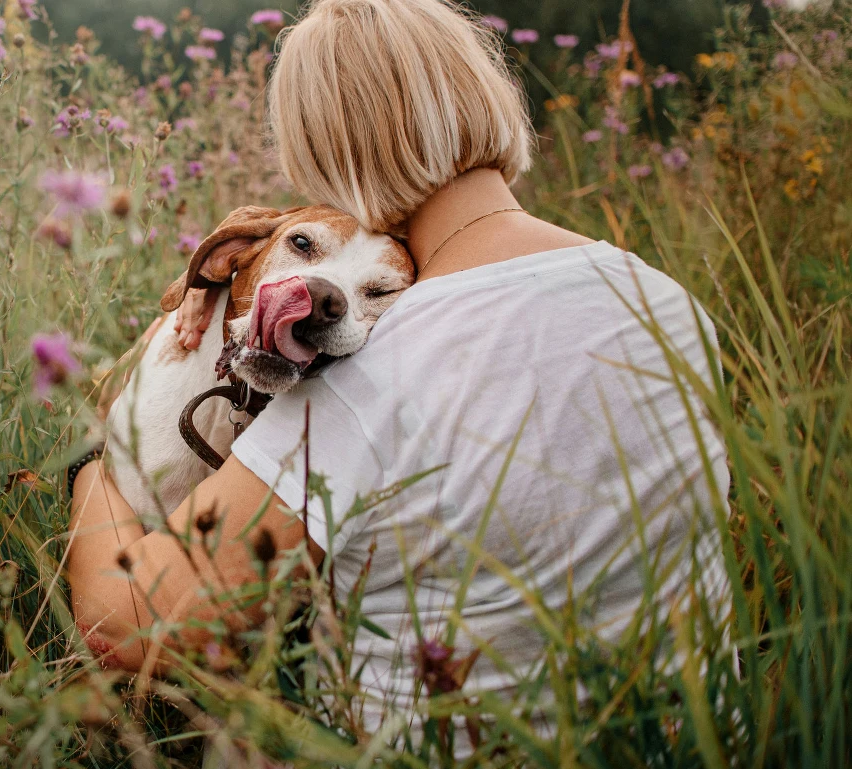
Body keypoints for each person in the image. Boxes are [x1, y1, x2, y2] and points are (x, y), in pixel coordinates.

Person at [65, 0, 731, 751]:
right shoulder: (666, 302)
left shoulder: (380, 366)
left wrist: (92, 470)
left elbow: (124, 620)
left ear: (327, 153)